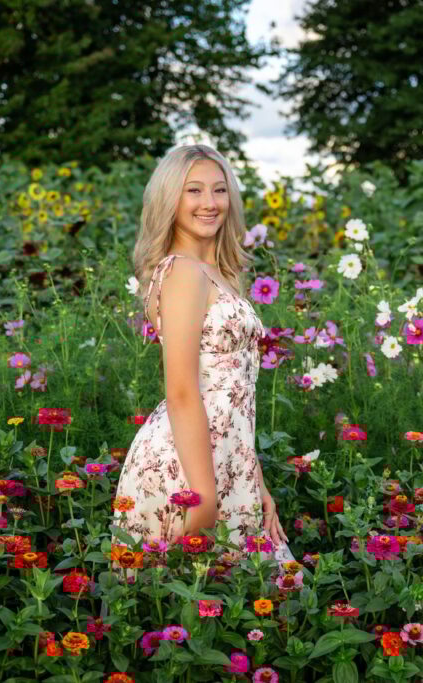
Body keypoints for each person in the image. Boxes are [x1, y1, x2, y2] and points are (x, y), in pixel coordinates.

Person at [111, 144, 295, 566]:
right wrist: (203, 495)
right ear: (170, 199)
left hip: (227, 460)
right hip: (187, 469)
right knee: (181, 607)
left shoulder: (216, 272)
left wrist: (256, 481)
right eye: (193, 191)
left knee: (240, 606)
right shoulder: (182, 272)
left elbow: (233, 395)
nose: (209, 203)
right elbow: (180, 390)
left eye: (219, 190)